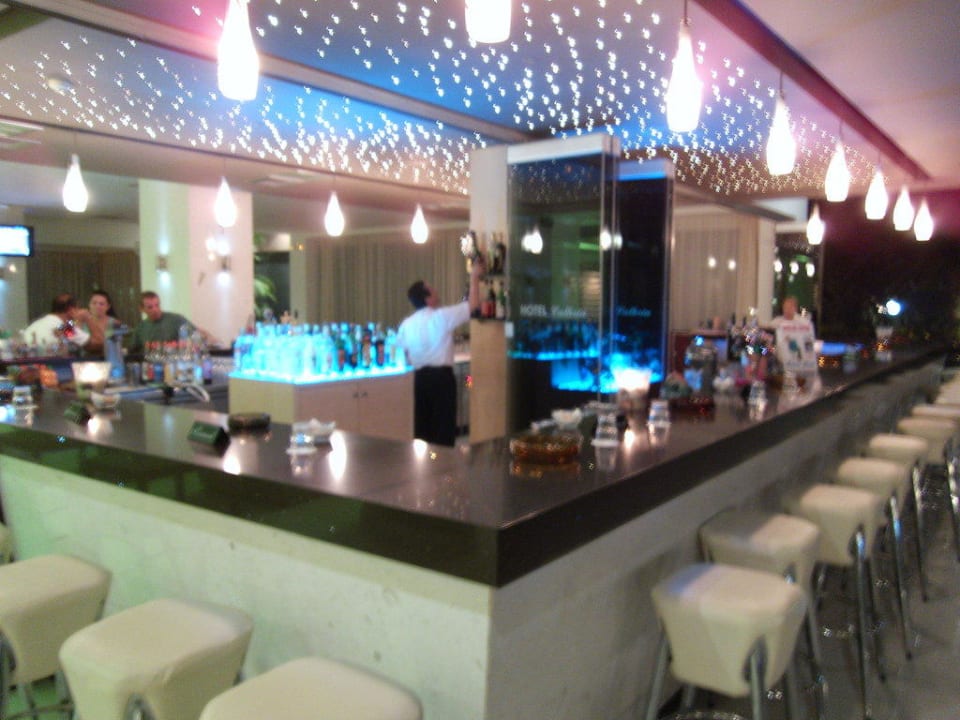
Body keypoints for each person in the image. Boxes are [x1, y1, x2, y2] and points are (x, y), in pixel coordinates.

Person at [396, 258, 484, 446]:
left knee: (422, 429)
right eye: (432, 289)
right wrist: (475, 276)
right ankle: (443, 463)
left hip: (418, 379)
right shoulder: (441, 316)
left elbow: (402, 354)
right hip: (442, 380)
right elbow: (474, 304)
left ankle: (424, 463)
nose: (436, 290)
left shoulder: (406, 325)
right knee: (443, 428)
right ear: (428, 298)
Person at [127, 291, 209, 354]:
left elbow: (199, 334)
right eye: (150, 307)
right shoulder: (140, 328)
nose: (155, 309)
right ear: (141, 309)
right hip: (151, 367)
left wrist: (210, 341)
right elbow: (132, 351)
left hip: (175, 365)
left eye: (157, 305)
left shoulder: (176, 320)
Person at [22, 293, 92, 355]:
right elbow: (93, 344)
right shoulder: (62, 326)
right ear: (71, 310)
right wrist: (83, 319)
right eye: (78, 308)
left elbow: (68, 332)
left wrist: (76, 321)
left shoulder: (38, 323)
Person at [81, 289, 122, 357]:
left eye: (101, 304)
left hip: (107, 358)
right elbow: (65, 330)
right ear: (89, 304)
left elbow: (109, 345)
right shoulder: (81, 317)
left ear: (108, 306)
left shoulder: (115, 323)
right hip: (83, 358)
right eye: (94, 303)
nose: (97, 306)